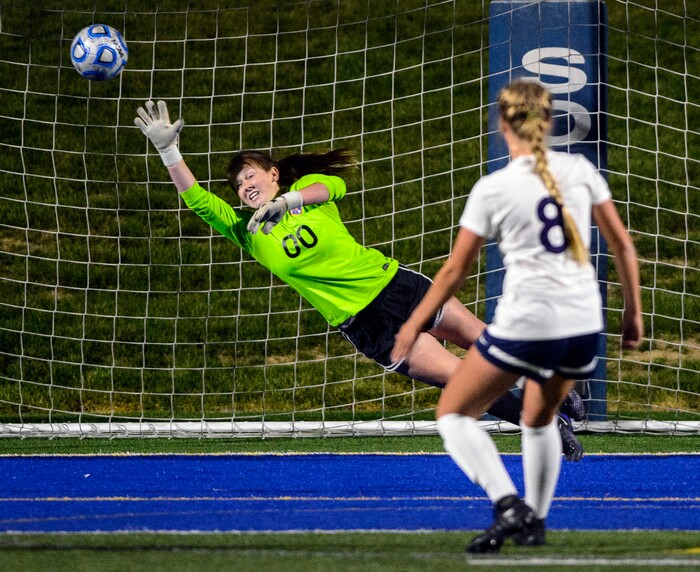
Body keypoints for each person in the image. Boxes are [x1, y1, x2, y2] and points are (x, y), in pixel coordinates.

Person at [133, 99, 585, 457]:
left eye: (251, 176)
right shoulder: (246, 232)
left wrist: (287, 203)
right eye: (238, 186)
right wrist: (167, 150)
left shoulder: (308, 196)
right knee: (462, 378)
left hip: (397, 287)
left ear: (273, 174)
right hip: (367, 324)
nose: (246, 187)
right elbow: (196, 201)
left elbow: (335, 187)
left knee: (490, 345)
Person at [391, 79, 642, 553]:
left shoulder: (495, 187)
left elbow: (453, 272)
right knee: (538, 415)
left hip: (529, 323)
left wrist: (411, 323)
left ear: (502, 124)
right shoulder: (581, 170)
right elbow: (623, 246)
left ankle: (508, 504)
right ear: (548, 122)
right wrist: (633, 315)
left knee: (453, 413)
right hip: (584, 326)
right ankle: (536, 522)